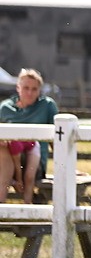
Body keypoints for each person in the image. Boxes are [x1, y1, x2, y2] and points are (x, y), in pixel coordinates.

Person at [0, 68, 59, 204]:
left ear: (40, 90)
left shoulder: (47, 106)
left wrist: (65, 166)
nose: (30, 93)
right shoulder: (5, 108)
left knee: (4, 152)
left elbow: (57, 141)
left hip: (33, 161)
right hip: (7, 159)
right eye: (26, 88)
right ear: (18, 87)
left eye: (34, 89)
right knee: (3, 148)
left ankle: (5, 206)